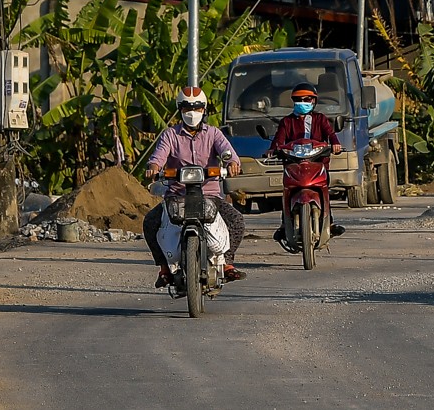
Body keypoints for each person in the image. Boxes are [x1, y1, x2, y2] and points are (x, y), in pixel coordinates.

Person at [142, 87, 247, 289]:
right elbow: (158, 156)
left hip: (210, 195)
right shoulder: (170, 135)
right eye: (187, 108)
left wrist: (232, 163)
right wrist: (154, 167)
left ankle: (227, 262)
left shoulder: (214, 133)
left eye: (197, 108)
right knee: (150, 222)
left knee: (236, 220)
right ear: (179, 110)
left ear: (204, 110)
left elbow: (227, 152)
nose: (192, 112)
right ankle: (164, 268)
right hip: (176, 196)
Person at [268, 83, 345, 242]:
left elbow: (330, 134)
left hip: (318, 162)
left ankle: (329, 222)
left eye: (306, 99)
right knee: (287, 191)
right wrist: (273, 149)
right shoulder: (287, 122)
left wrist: (335, 144)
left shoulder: (320, 119)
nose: (302, 102)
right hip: (293, 163)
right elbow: (279, 139)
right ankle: (285, 224)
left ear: (314, 101)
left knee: (324, 189)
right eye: (298, 99)